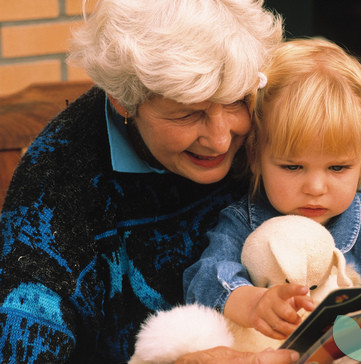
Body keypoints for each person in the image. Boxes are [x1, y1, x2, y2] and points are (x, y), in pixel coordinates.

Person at [0, 0, 300, 363]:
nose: (222, 139)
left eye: (237, 101)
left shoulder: (273, 115)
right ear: (124, 101)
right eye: (189, 112)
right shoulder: (53, 190)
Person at [184, 38, 361, 341]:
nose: (315, 188)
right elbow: (204, 279)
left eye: (338, 168)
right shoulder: (241, 222)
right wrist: (253, 303)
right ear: (254, 155)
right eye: (292, 167)